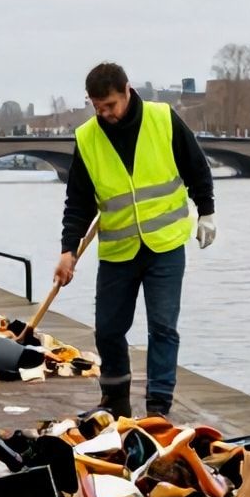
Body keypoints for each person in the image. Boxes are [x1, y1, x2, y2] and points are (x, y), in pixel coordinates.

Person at [52, 63, 215, 420]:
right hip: (119, 251)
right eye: (98, 107)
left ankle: (158, 407)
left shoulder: (163, 119)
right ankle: (115, 400)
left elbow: (196, 167)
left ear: (127, 90)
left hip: (165, 244)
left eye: (110, 105)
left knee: (162, 327)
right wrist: (68, 249)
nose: (105, 114)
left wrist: (206, 211)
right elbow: (78, 202)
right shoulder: (87, 138)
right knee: (108, 329)